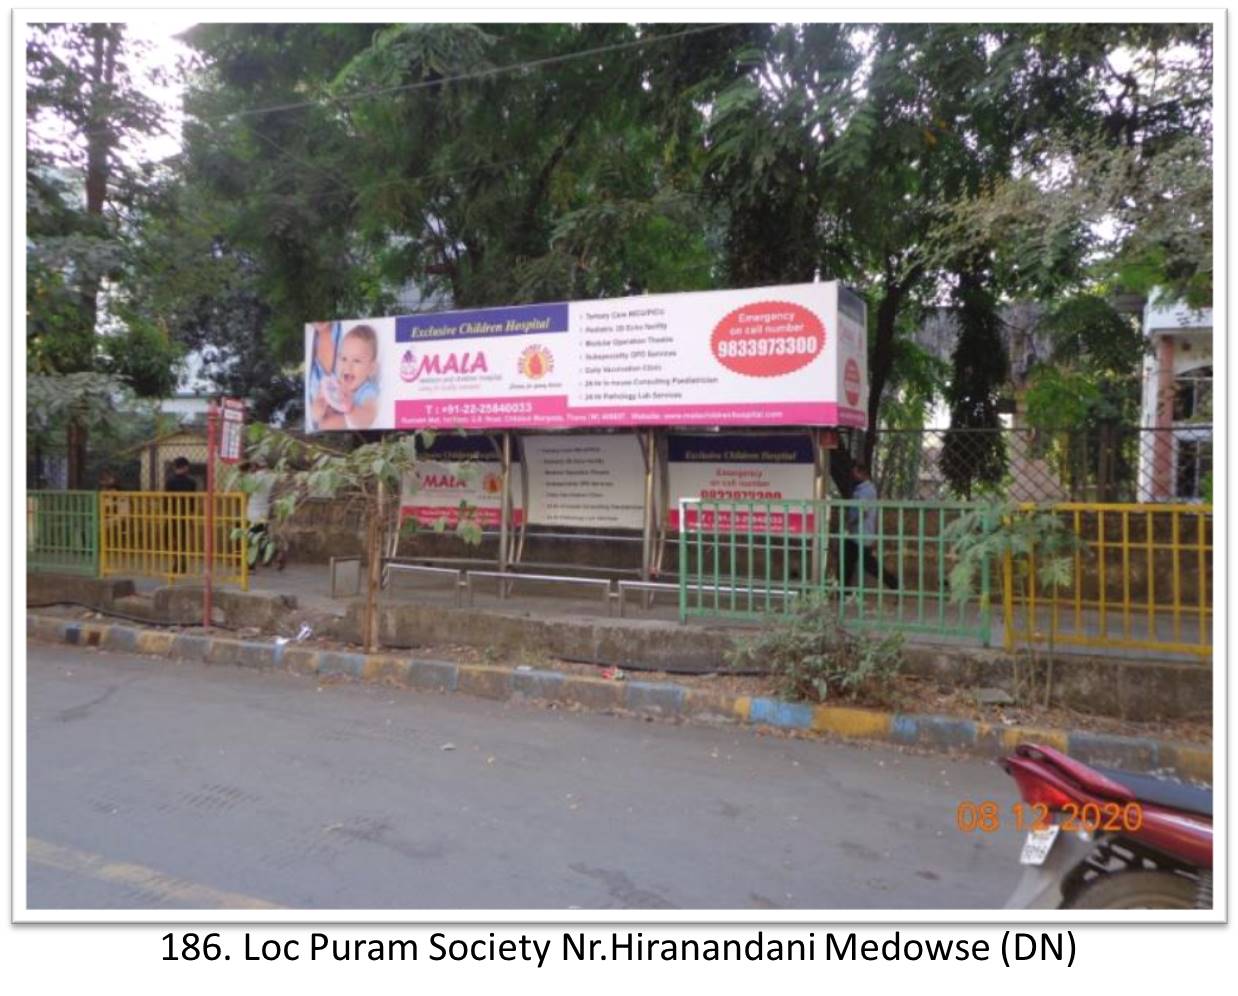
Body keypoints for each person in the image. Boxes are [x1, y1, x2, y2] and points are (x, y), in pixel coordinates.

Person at [840, 460, 900, 591]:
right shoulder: (864, 489)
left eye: (855, 473)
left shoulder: (866, 490)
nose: (853, 476)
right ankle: (843, 590)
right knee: (848, 562)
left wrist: (850, 523)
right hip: (857, 533)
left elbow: (863, 512)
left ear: (862, 473)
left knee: (868, 564)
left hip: (862, 533)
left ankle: (895, 584)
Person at [311, 323, 380, 430]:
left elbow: (369, 417)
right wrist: (318, 408)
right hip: (324, 434)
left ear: (371, 368)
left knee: (332, 423)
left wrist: (351, 409)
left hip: (349, 433)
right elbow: (315, 418)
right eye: (343, 359)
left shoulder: (366, 390)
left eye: (356, 361)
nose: (348, 366)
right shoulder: (333, 383)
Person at [238, 460, 284, 570]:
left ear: (255, 467)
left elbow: (244, 489)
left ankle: (251, 564)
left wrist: (244, 474)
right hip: (264, 511)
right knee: (262, 536)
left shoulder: (254, 477)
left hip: (254, 511)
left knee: (253, 538)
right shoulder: (271, 477)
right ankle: (273, 557)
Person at [164, 456, 197, 575]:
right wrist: (191, 514)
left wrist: (166, 511)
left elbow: (166, 499)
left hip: (172, 513)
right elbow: (192, 501)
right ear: (186, 467)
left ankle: (176, 562)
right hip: (185, 513)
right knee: (182, 540)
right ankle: (181, 563)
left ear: (175, 467)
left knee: (169, 538)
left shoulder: (169, 481)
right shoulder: (192, 482)